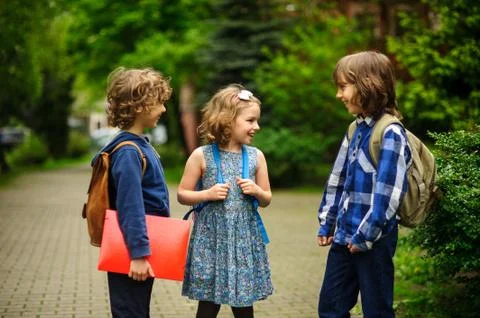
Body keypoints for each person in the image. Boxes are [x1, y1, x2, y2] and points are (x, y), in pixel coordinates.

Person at [316, 51, 412, 318]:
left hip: (374, 240)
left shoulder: (390, 133)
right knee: (331, 308)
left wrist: (365, 235)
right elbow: (338, 179)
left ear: (368, 85)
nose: (338, 95)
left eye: (343, 87)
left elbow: (388, 195)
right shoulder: (354, 129)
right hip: (344, 236)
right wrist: (328, 221)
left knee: (377, 311)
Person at [178, 84, 273, 318]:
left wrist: (257, 192)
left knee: (243, 303)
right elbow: (182, 193)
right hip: (211, 240)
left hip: (243, 240)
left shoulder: (256, 157)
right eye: (250, 120)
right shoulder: (201, 155)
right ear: (228, 120)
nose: (256, 127)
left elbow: (267, 198)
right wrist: (206, 194)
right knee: (208, 304)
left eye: (257, 121)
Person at [95, 67, 172, 317]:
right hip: (131, 251)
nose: (163, 109)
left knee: (137, 309)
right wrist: (138, 254)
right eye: (159, 103)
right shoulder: (129, 152)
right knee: (130, 311)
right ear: (140, 106)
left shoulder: (138, 146)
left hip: (140, 245)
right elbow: (130, 207)